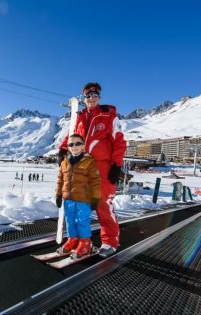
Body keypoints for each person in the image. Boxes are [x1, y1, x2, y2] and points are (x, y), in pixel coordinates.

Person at [58, 82, 126, 258]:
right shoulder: (78, 118)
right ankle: (81, 240)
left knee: (103, 205)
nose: (92, 98)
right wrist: (62, 149)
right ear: (84, 98)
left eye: (95, 95)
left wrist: (117, 165)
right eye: (88, 95)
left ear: (99, 97)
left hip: (102, 168)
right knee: (79, 207)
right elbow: (71, 136)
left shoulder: (109, 117)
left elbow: (119, 142)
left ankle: (110, 242)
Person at [56, 134, 101, 258]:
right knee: (69, 221)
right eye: (71, 144)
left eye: (77, 143)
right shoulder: (65, 163)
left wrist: (96, 197)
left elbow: (95, 181)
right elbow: (60, 180)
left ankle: (86, 243)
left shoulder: (89, 162)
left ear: (83, 146)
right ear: (68, 148)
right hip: (68, 200)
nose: (74, 146)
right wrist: (58, 195)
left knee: (82, 221)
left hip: (83, 199)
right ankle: (73, 239)